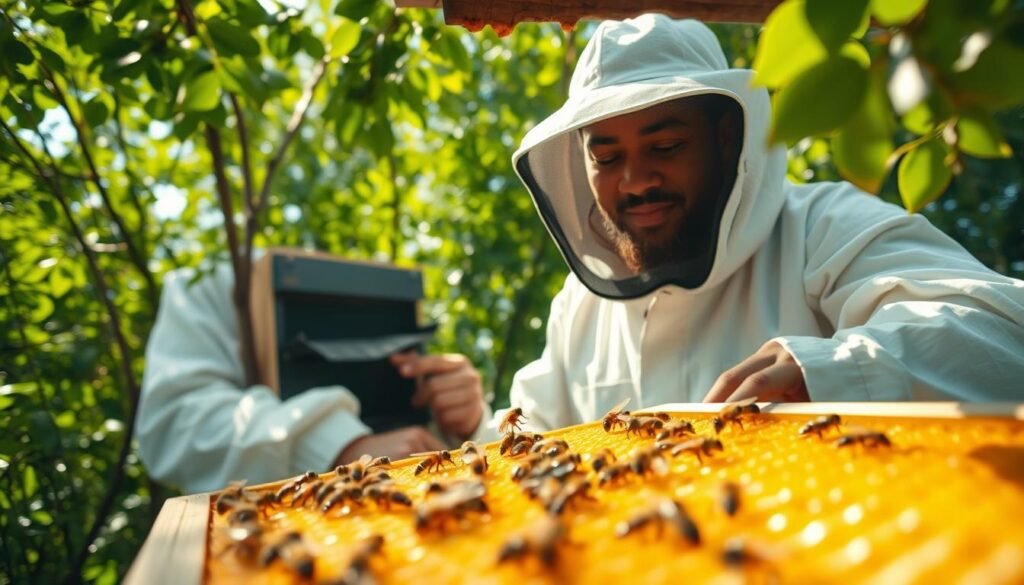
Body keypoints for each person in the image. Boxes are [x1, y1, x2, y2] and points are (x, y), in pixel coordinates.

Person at [477, 15, 1024, 438]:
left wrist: (835, 370)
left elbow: (1000, 331)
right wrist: (460, 425)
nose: (636, 181)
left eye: (665, 146)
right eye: (607, 157)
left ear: (724, 138)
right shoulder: (579, 307)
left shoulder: (824, 225)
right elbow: (527, 438)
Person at [137, 261, 486, 493]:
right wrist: (337, 447)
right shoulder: (209, 284)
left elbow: (419, 437)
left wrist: (466, 422)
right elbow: (172, 423)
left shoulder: (374, 283)